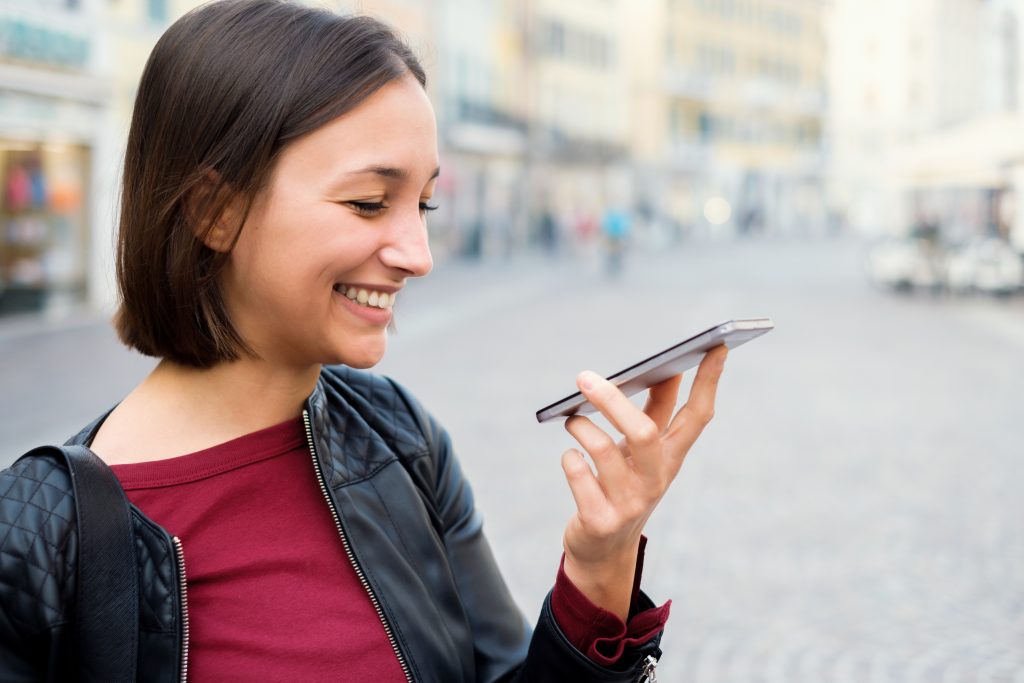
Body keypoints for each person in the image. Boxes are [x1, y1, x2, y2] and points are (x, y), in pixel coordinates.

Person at [0, 1, 727, 680]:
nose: (418, 252)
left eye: (423, 203)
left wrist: (599, 566)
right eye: (369, 203)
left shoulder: (399, 436)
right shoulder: (37, 536)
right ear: (213, 211)